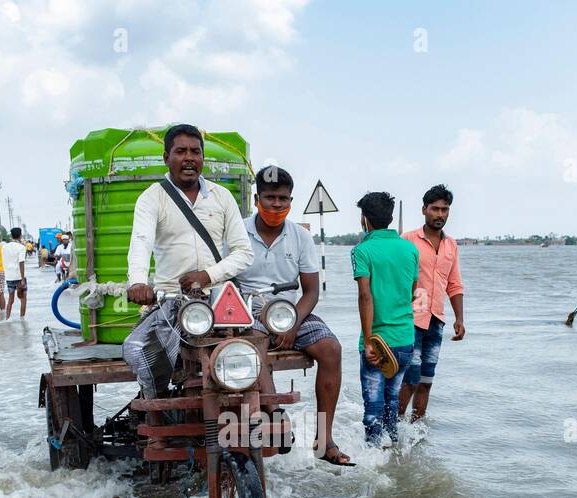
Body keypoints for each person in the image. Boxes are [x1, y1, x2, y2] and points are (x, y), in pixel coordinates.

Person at [123, 123, 253, 402]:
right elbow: (141, 242)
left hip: (219, 299)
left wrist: (207, 275)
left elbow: (244, 252)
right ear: (166, 157)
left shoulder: (222, 197)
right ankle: (155, 404)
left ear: (203, 158)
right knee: (136, 349)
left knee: (255, 353)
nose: (189, 158)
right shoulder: (151, 198)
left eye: (196, 151)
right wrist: (137, 282)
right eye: (180, 151)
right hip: (172, 302)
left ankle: (258, 414)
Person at [237, 165, 350, 465]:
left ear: (290, 201)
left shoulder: (300, 236)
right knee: (254, 341)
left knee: (331, 349)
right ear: (257, 197)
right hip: (249, 312)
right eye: (270, 197)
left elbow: (311, 291)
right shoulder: (237, 232)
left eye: (283, 199)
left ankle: (324, 440)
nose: (276, 205)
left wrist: (293, 324)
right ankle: (275, 416)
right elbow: (226, 284)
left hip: (289, 313)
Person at [352, 191, 418, 448]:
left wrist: (369, 340)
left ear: (364, 219)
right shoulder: (410, 249)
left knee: (373, 408)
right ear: (390, 218)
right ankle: (394, 454)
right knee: (392, 403)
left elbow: (365, 297)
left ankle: (374, 464)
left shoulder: (362, 250)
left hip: (377, 342)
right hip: (404, 340)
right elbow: (412, 292)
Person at [400, 184, 465, 421]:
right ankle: (394, 432)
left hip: (436, 321)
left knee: (426, 381)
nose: (440, 214)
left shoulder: (451, 245)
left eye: (444, 210)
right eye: (435, 209)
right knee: (410, 379)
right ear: (424, 210)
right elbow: (395, 282)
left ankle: (417, 434)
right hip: (410, 321)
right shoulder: (407, 240)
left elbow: (454, 284)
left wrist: (459, 319)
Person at [2, 226, 28, 319]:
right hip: (19, 277)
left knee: (10, 300)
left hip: (9, 276)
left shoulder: (4, 247)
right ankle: (22, 319)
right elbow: (21, 262)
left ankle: (7, 319)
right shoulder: (21, 247)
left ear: (11, 235)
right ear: (20, 235)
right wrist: (23, 279)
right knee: (23, 299)